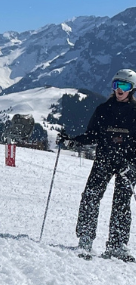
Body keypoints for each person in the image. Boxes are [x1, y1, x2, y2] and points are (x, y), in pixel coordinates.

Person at [58, 69, 136, 262]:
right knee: (91, 196)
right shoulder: (103, 109)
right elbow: (92, 134)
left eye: (124, 86)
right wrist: (72, 141)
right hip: (104, 160)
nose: (119, 89)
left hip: (128, 163)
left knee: (122, 202)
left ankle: (117, 245)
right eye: (116, 85)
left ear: (132, 89)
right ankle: (85, 239)